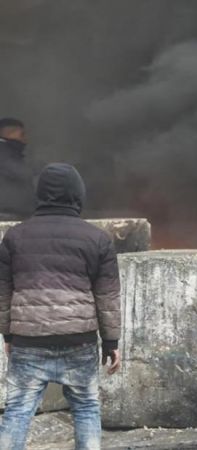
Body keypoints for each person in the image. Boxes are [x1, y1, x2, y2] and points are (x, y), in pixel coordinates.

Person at [0, 163, 122, 450]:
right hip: (79, 341)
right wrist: (111, 342)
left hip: (28, 341)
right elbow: (107, 297)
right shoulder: (97, 239)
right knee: (86, 408)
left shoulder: (15, 237)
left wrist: (7, 335)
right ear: (78, 194)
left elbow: (3, 292)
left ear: (40, 194)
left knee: (17, 411)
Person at [0, 118, 35, 219]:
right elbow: (24, 173)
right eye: (22, 135)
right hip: (7, 215)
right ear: (8, 133)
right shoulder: (3, 153)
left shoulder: (9, 152)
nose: (25, 140)